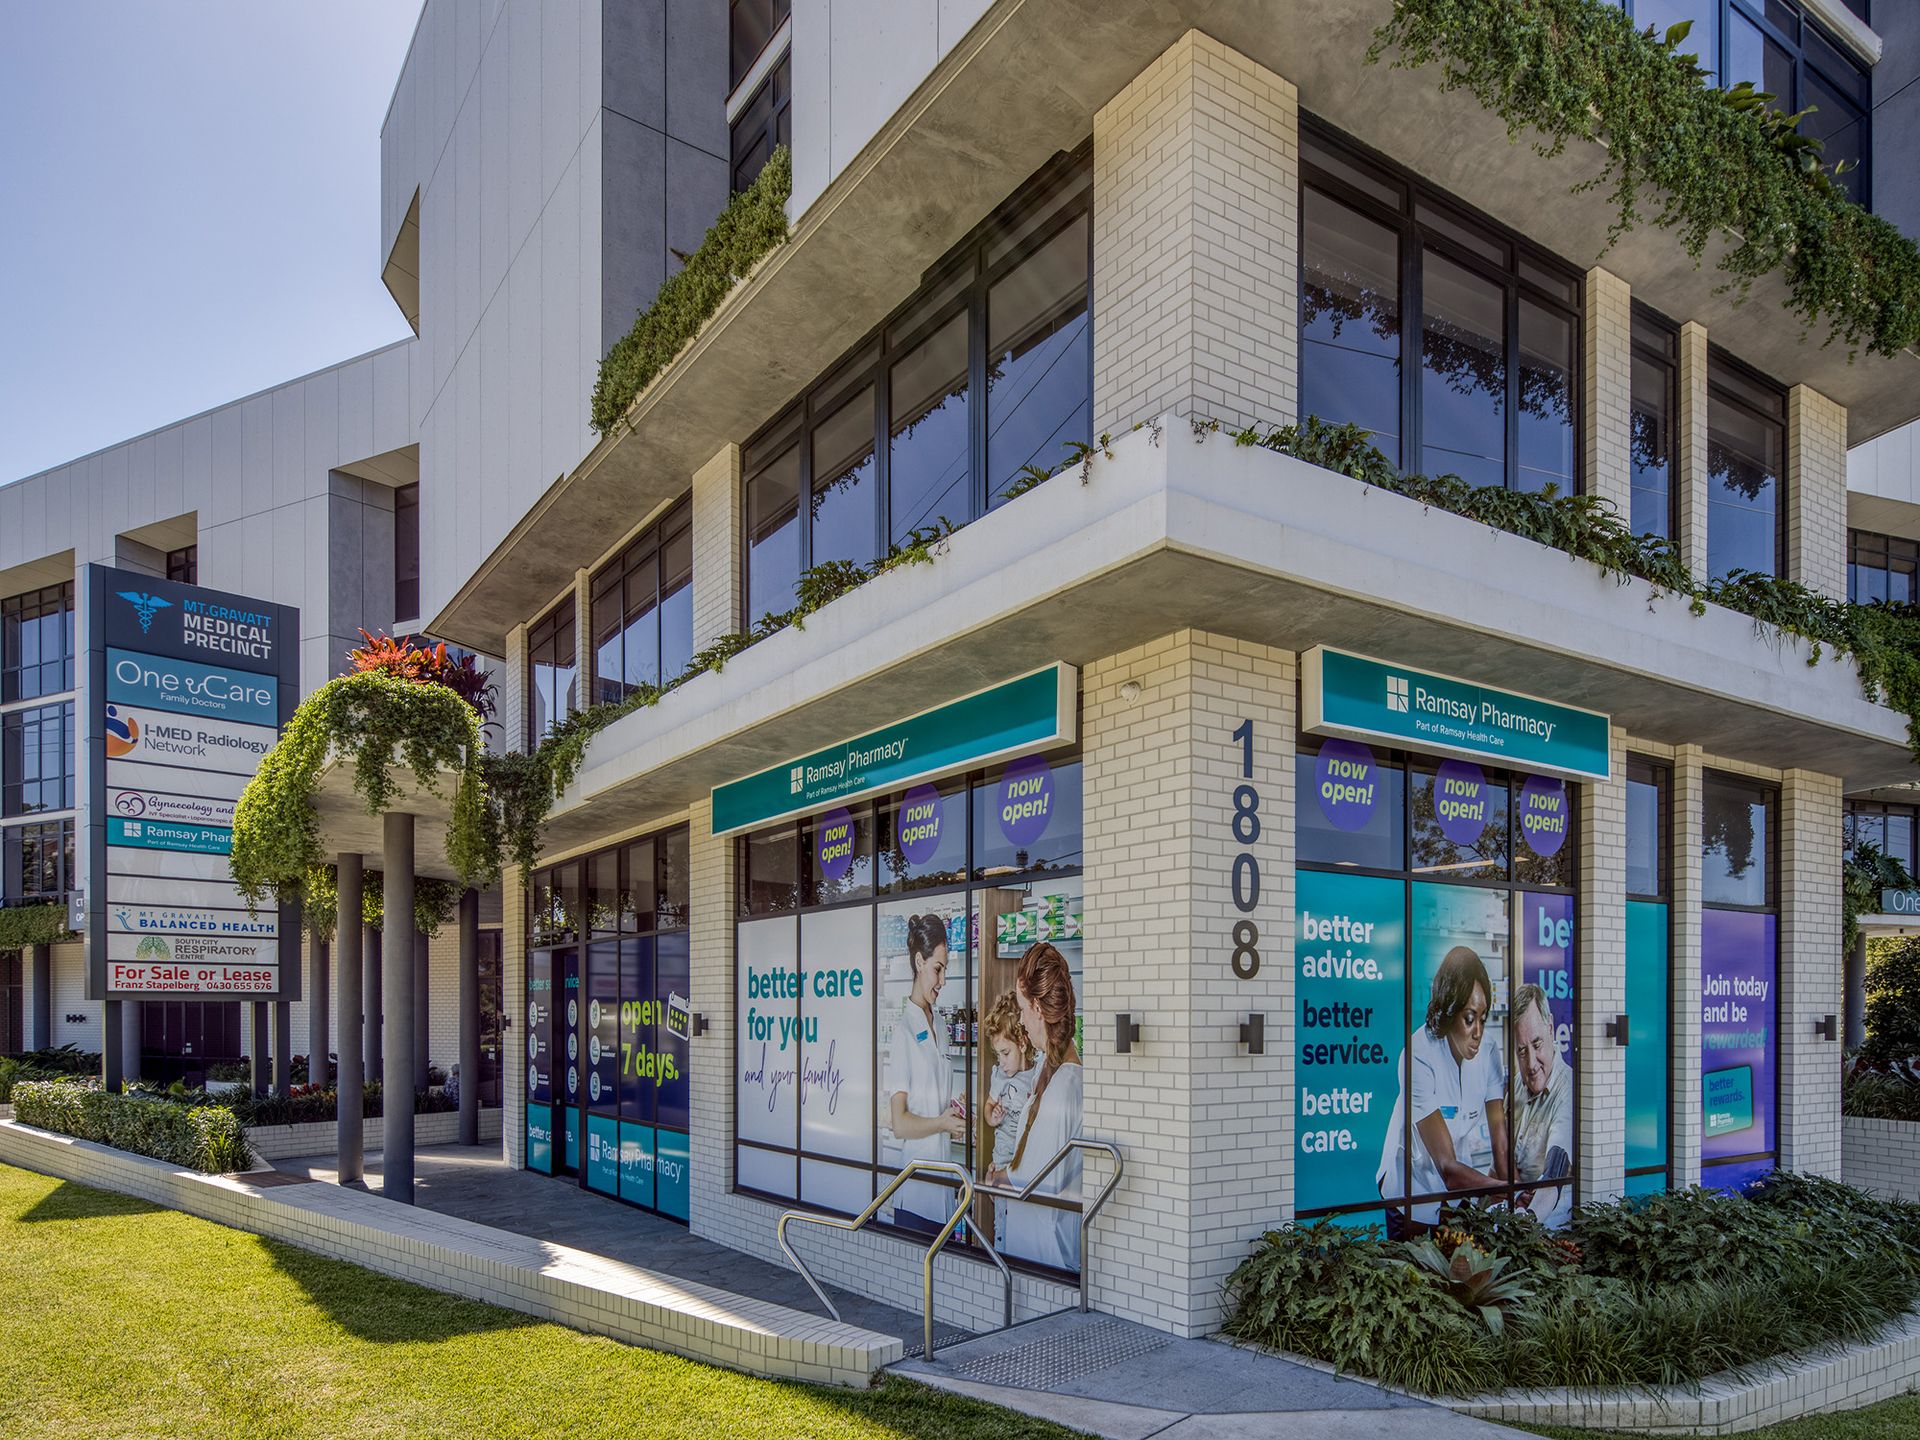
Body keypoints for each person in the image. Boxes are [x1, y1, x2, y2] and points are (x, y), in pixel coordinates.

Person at [1378, 945, 1508, 1226]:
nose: (1478, 1032)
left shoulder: (1488, 1052)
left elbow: (1499, 1139)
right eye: (1469, 1019)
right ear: (1449, 1012)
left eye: (1483, 1018)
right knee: (1414, 1253)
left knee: (1458, 1249)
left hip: (1459, 1178)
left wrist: (1514, 1192)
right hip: (1411, 1182)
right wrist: (1504, 1189)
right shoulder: (1418, 1055)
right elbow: (1447, 1168)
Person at [991, 941, 1083, 1271]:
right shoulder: (1051, 1070)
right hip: (1038, 1250)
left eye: (1021, 1009)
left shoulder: (1064, 1087)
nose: (1021, 1020)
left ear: (1038, 1009)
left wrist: (999, 1178)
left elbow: (1034, 1176)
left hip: (1047, 1255)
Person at [883, 913, 966, 1233]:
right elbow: (900, 1124)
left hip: (943, 1188)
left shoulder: (941, 1026)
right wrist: (941, 1123)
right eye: (938, 969)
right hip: (916, 1194)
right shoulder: (904, 1032)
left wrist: (953, 1115)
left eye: (945, 971)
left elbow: (932, 1101)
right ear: (919, 962)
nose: (942, 981)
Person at [1510, 982, 1574, 1227]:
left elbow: (1554, 1175)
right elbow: (1500, 1166)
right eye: (1521, 1051)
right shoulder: (1515, 1087)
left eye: (1536, 1045)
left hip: (1551, 1233)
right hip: (1515, 1222)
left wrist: (1527, 1222)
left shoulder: (1568, 1090)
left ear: (1550, 1027)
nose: (1531, 1064)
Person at [982, 989, 1040, 1172]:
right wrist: (993, 1118)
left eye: (1005, 1053)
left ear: (1022, 1043)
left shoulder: (1038, 1075)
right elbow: (988, 1106)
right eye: (998, 1054)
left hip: (1026, 1163)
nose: (1001, 1062)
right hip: (1001, 1162)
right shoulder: (999, 1075)